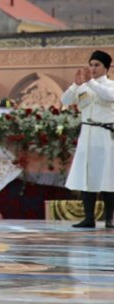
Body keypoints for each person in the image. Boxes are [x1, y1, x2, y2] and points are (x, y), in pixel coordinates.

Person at [61, 50, 114, 229]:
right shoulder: (83, 86)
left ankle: (109, 219)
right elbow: (65, 100)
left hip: (105, 135)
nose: (92, 68)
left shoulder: (109, 85)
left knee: (108, 176)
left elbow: (109, 96)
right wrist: (75, 85)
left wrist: (89, 82)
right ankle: (89, 218)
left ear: (106, 68)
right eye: (91, 65)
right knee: (87, 176)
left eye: (97, 65)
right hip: (87, 135)